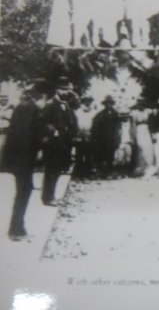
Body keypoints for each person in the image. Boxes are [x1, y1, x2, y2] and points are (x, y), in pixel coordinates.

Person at [5, 86, 46, 241]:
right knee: (23, 191)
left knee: (24, 190)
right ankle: (16, 230)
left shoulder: (24, 107)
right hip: (23, 159)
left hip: (18, 158)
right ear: (41, 96)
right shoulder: (31, 110)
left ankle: (18, 229)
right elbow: (28, 135)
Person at [41, 77, 77, 206]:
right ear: (57, 90)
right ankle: (47, 197)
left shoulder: (66, 105)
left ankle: (52, 195)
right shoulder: (50, 104)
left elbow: (71, 118)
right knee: (51, 171)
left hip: (63, 143)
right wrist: (53, 131)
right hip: (53, 143)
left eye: (67, 89)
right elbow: (44, 122)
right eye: (63, 89)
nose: (65, 92)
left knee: (58, 171)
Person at [91, 95, 121, 179]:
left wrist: (117, 137)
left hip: (111, 138)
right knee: (101, 155)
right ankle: (101, 172)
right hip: (102, 138)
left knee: (110, 155)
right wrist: (96, 136)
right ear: (105, 105)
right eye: (107, 104)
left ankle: (109, 172)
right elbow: (95, 126)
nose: (109, 105)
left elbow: (118, 127)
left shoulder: (115, 114)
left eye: (111, 103)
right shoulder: (100, 114)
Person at [129, 97, 156, 178]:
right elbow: (133, 124)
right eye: (139, 104)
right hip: (139, 130)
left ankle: (149, 167)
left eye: (142, 104)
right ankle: (141, 168)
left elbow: (154, 112)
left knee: (148, 147)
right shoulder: (134, 113)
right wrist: (133, 135)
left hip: (146, 130)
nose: (141, 106)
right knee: (141, 147)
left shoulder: (147, 111)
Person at [73, 96, 96, 180]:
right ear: (82, 103)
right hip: (79, 137)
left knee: (89, 156)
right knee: (79, 155)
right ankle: (78, 173)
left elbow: (95, 125)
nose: (87, 104)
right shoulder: (77, 112)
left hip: (89, 137)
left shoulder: (94, 113)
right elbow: (74, 124)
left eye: (89, 102)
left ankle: (88, 173)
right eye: (85, 102)